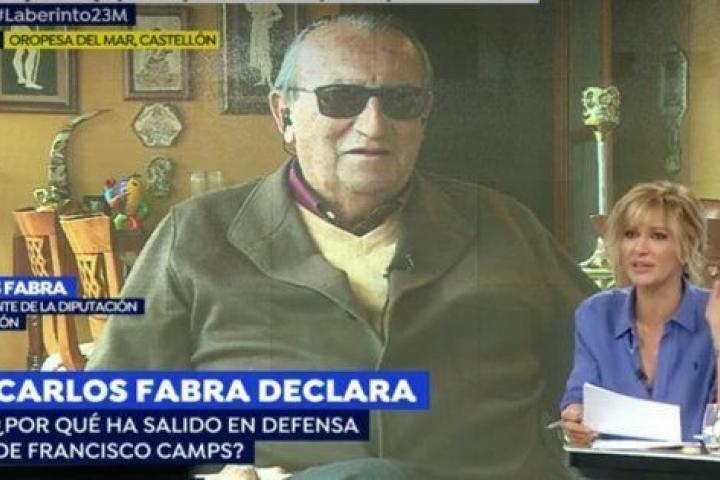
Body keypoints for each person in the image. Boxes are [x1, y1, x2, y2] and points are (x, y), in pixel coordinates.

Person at [88, 12, 594, 479]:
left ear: (424, 116)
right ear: (284, 114)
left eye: (401, 101)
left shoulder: (505, 226)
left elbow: (610, 380)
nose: (374, 125)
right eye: (340, 98)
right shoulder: (196, 236)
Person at [561, 180, 720, 446]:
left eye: (658, 236)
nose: (639, 249)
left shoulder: (712, 312)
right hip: (613, 465)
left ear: (687, 246)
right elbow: (578, 399)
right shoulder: (596, 314)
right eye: (630, 235)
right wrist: (576, 417)